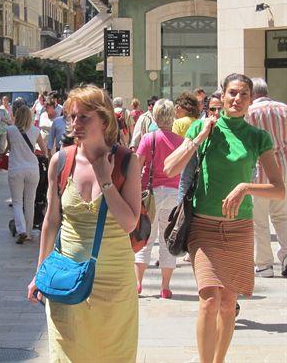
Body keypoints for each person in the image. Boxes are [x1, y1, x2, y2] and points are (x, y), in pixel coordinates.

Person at [164, 73, 284, 363]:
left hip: (239, 229)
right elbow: (169, 168)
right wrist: (200, 136)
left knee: (228, 303)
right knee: (209, 300)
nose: (237, 99)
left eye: (244, 94)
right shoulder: (202, 128)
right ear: (222, 95)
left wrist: (245, 188)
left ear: (251, 99)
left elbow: (279, 189)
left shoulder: (257, 137)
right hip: (203, 227)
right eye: (232, 93)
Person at [27, 85, 141, 362]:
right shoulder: (61, 161)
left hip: (114, 280)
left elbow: (129, 223)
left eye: (83, 117)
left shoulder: (127, 161)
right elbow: (51, 221)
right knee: (67, 353)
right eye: (71, 117)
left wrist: (106, 182)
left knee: (113, 354)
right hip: (67, 276)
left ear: (104, 120)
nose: (74, 124)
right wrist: (40, 272)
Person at [134, 99, 183, 297]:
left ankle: (138, 284)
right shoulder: (180, 141)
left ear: (154, 116)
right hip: (173, 193)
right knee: (167, 239)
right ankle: (165, 287)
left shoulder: (149, 139)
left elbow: (137, 166)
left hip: (150, 193)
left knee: (145, 237)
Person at [247, 77, 287, 278]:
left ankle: (264, 264)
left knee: (259, 220)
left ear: (253, 94)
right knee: (282, 216)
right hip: (283, 168)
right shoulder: (284, 109)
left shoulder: (250, 113)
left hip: (258, 171)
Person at [7, 104, 46, 244]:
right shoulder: (36, 131)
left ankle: (21, 229)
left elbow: (9, 148)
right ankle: (28, 233)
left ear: (17, 116)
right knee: (30, 201)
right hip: (32, 169)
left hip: (15, 168)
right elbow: (44, 150)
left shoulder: (10, 130)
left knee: (17, 202)